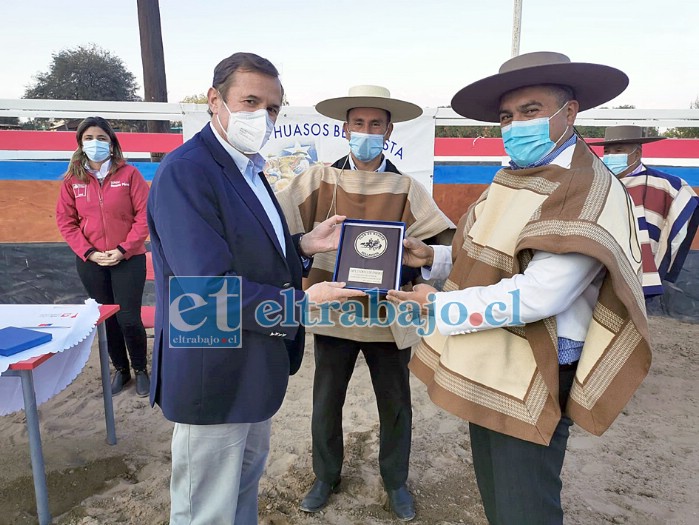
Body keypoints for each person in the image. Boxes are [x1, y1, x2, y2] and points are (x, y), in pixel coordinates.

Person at [386, 52, 652, 525]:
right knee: (498, 493)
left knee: (523, 506)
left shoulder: (584, 187)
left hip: (536, 367)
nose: (514, 126)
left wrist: (441, 305)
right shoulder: (518, 175)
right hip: (496, 356)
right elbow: (492, 252)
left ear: (568, 114)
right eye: (507, 116)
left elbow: (539, 294)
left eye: (531, 111)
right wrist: (434, 257)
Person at [146, 52, 365, 525]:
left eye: (271, 108)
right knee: (206, 508)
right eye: (249, 101)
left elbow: (245, 250)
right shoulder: (189, 171)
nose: (261, 117)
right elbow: (205, 289)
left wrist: (304, 245)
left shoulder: (248, 168)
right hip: (214, 364)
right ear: (214, 101)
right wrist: (303, 305)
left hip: (252, 364)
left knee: (242, 490)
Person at [276, 85, 454, 521]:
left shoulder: (406, 186)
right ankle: (325, 475)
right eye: (359, 124)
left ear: (389, 130)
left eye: (376, 124)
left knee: (395, 403)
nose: (366, 132)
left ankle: (395, 482)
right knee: (326, 399)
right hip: (333, 309)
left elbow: (442, 241)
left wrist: (419, 255)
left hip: (390, 310)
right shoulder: (318, 179)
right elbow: (279, 225)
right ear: (345, 128)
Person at [56, 116, 150, 397]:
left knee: (129, 318)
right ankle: (121, 370)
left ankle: (140, 370)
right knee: (107, 318)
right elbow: (66, 221)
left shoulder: (130, 175)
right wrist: (90, 253)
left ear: (112, 143)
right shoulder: (73, 180)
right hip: (91, 262)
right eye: (88, 138)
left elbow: (145, 215)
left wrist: (123, 250)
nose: (95, 143)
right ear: (80, 144)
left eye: (101, 138)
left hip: (128, 259)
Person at [590, 125, 699, 298]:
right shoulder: (598, 182)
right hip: (599, 264)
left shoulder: (665, 184)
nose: (611, 156)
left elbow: (685, 211)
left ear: (637, 153)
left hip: (643, 263)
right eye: (607, 151)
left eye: (618, 150)